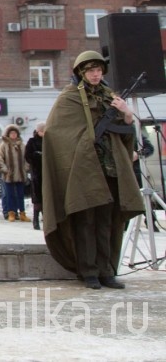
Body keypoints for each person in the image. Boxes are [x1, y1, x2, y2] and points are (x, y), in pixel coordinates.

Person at [42, 50, 143, 289]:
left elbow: (125, 132)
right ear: (81, 72)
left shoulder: (110, 96)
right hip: (84, 170)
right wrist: (85, 141)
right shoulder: (69, 98)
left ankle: (107, 270)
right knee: (86, 220)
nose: (95, 74)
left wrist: (127, 114)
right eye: (90, 71)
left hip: (111, 168)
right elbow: (57, 133)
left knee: (108, 220)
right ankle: (88, 271)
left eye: (98, 70)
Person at [0, 124, 29, 222]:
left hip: (20, 174)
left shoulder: (22, 145)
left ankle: (22, 213)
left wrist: (25, 168)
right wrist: (5, 170)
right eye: (11, 133)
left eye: (15, 133)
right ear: (8, 134)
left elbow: (27, 158)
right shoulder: (4, 145)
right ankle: (11, 213)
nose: (13, 135)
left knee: (20, 194)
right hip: (9, 175)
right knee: (9, 195)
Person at [25, 122, 45, 229]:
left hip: (46, 173)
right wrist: (36, 155)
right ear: (38, 131)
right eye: (42, 131)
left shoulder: (48, 141)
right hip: (37, 173)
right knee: (37, 198)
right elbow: (27, 156)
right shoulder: (32, 141)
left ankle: (45, 219)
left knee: (46, 197)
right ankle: (36, 220)